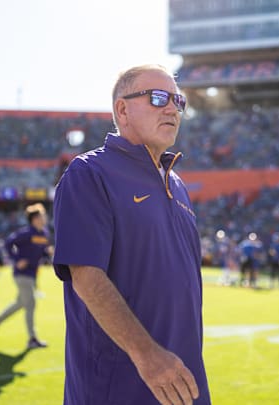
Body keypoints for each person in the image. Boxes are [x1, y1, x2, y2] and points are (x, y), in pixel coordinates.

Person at [52, 64, 210, 404]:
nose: (172, 108)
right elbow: (86, 277)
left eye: (177, 101)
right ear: (122, 109)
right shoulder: (90, 173)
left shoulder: (178, 185)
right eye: (157, 98)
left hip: (183, 383)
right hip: (121, 385)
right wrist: (148, 356)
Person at [0, 203, 52, 350]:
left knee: (21, 303)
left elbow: (40, 252)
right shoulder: (26, 233)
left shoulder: (44, 234)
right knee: (31, 304)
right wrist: (17, 260)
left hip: (32, 274)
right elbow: (7, 243)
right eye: (42, 215)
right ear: (35, 219)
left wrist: (47, 252)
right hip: (22, 274)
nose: (45, 218)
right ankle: (32, 339)